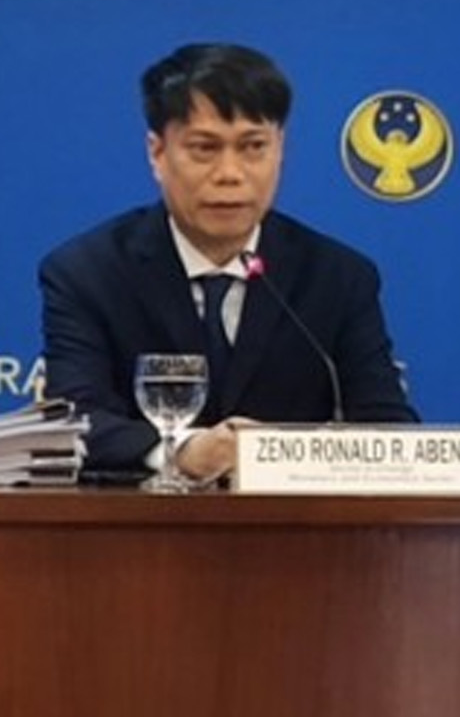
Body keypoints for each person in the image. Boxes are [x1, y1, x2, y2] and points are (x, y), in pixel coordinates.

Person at [39, 43, 417, 482]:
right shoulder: (88, 273)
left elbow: (388, 429)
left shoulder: (338, 277)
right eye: (205, 148)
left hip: (297, 522)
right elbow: (75, 422)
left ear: (280, 149)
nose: (230, 174)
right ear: (157, 153)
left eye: (253, 147)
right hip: (140, 522)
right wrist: (183, 451)